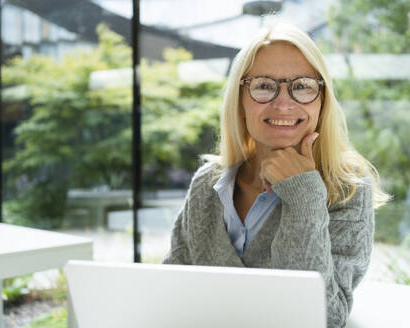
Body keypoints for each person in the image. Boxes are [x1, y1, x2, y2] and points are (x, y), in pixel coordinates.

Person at [162, 23, 390, 328]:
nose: (283, 103)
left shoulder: (346, 190)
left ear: (322, 101)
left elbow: (324, 317)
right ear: (240, 99)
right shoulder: (207, 183)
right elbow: (168, 291)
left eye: (303, 86)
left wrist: (304, 195)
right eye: (264, 86)